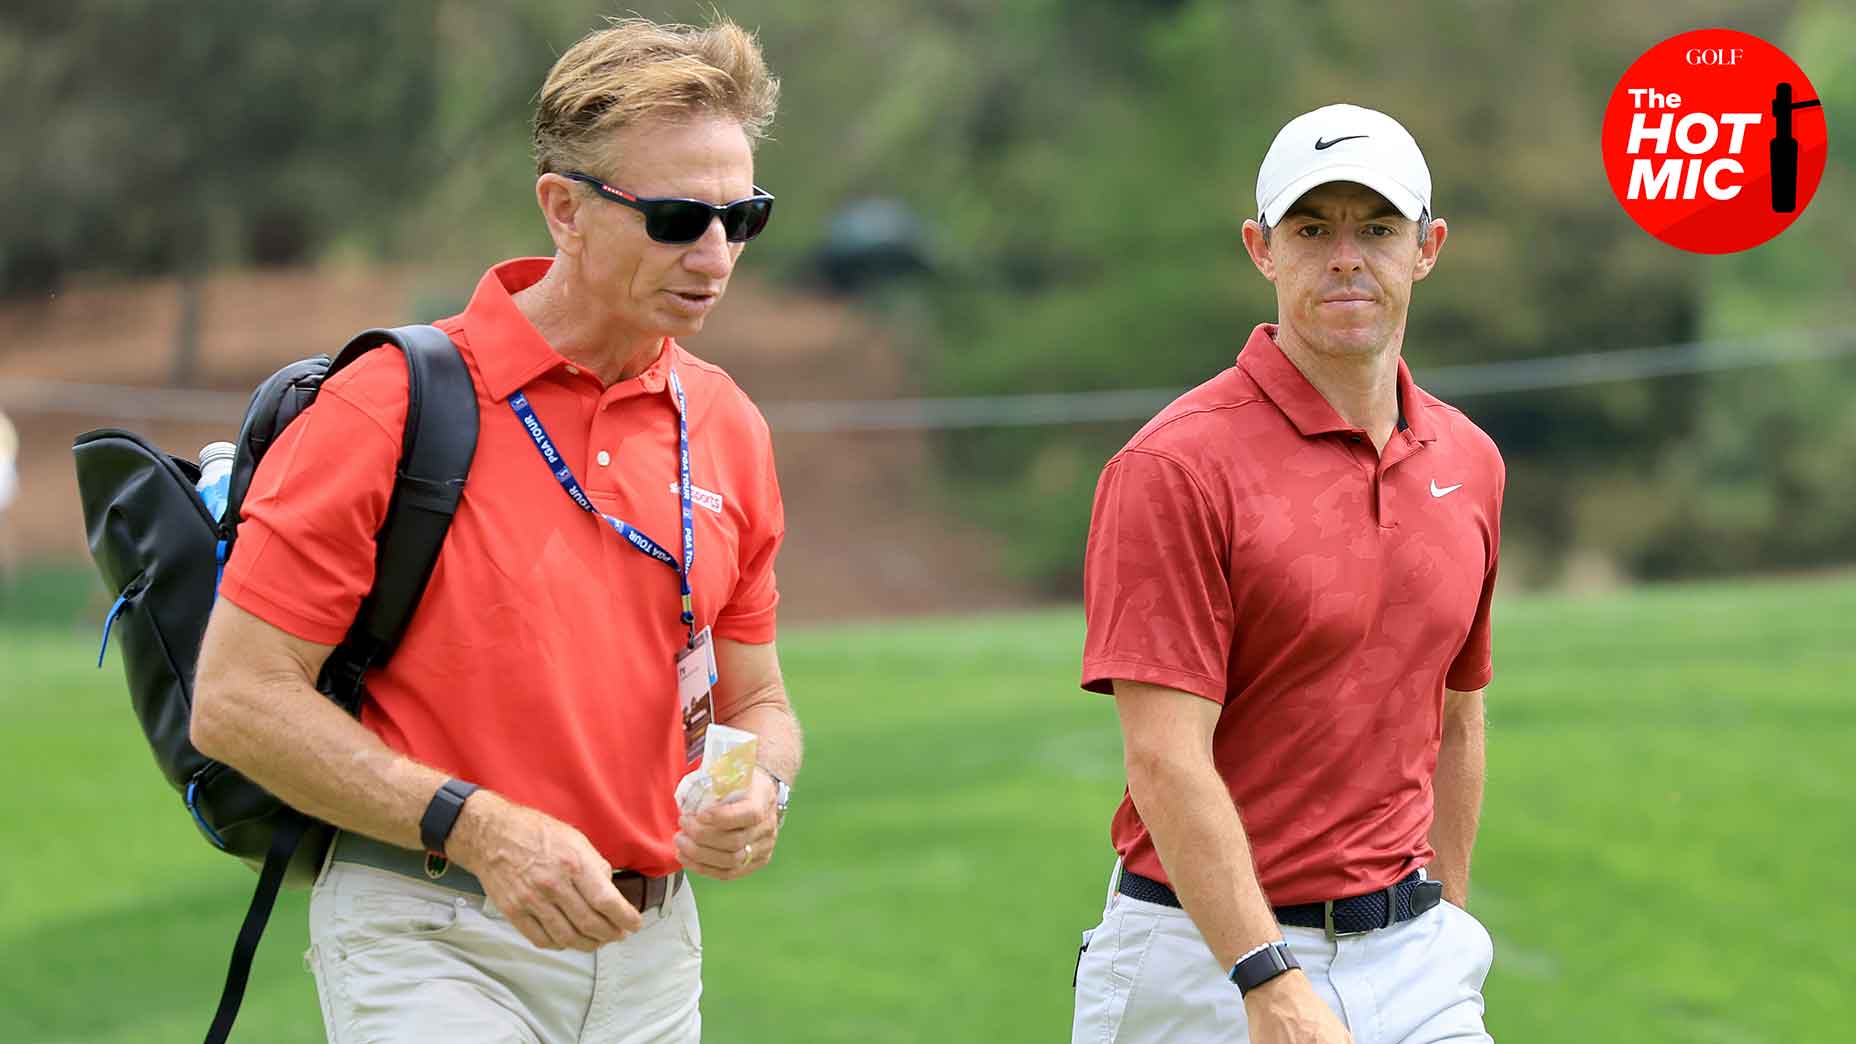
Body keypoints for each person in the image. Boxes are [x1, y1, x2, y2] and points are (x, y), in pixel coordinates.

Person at [191, 16, 799, 1043]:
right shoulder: (386, 404)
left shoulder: (728, 423)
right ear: (562, 209)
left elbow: (757, 697)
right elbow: (237, 701)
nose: (712, 253)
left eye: (741, 218)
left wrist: (760, 788)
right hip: (433, 925)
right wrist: (480, 828)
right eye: (674, 219)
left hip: (652, 954)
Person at [1070, 103, 1503, 1044]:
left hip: (1413, 954)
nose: (1346, 256)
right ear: (1261, 249)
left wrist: (1448, 924)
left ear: (1427, 248)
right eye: (1312, 229)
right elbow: (1163, 757)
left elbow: (1457, 714)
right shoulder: (1174, 469)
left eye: (1377, 229)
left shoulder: (1470, 461)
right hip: (1203, 962)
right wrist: (1267, 980)